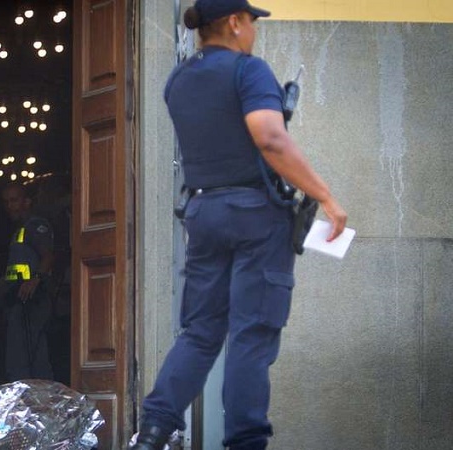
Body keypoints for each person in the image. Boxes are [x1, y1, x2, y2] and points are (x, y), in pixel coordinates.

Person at [131, 1, 347, 450]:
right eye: (251, 21)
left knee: (201, 331)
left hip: (204, 212)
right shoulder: (249, 71)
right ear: (233, 22)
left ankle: (153, 430)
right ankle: (246, 441)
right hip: (255, 214)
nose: (254, 31)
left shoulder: (178, 79)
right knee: (252, 331)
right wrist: (325, 195)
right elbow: (269, 136)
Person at [0, 182, 56, 381]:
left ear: (27, 202)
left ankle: (33, 402)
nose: (10, 206)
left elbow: (49, 256)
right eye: (6, 202)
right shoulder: (20, 229)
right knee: (25, 355)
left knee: (25, 358)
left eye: (14, 200)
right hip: (17, 299)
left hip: (32, 300)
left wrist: (35, 280)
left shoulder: (36, 226)